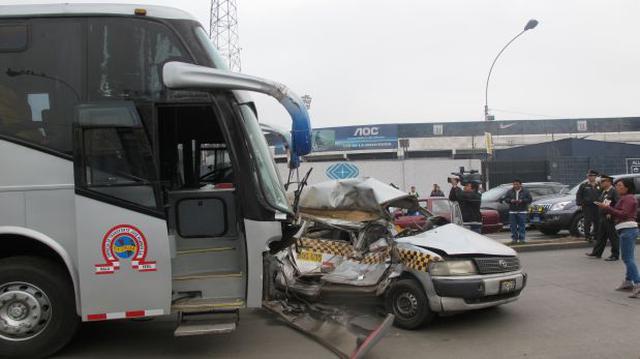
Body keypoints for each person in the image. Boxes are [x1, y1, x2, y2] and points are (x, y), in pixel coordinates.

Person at [597, 178, 640, 298]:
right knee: (628, 258)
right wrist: (611, 211)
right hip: (626, 229)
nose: (617, 187)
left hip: (627, 230)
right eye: (616, 185)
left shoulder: (628, 198)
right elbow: (623, 212)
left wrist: (607, 208)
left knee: (628, 259)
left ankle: (637, 283)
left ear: (627, 187)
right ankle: (628, 282)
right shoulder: (627, 198)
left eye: (619, 185)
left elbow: (624, 214)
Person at [586, 174, 619, 260]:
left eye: (603, 181)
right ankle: (597, 253)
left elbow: (618, 204)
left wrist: (611, 213)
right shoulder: (604, 191)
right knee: (601, 236)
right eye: (600, 181)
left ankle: (615, 255)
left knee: (613, 237)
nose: (601, 183)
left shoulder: (613, 191)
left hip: (609, 217)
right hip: (602, 217)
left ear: (608, 182)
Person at [501, 179, 533, 244]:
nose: (515, 185)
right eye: (514, 184)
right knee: (513, 226)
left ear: (520, 184)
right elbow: (506, 199)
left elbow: (529, 199)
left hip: (522, 211)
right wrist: (511, 201)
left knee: (522, 226)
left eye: (517, 184)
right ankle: (514, 239)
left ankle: (522, 239)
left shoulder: (525, 191)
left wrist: (522, 201)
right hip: (512, 211)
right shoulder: (510, 191)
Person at [576, 170, 601, 241]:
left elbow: (602, 194)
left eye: (592, 176)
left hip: (597, 206)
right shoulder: (584, 185)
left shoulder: (599, 185)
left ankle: (596, 235)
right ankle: (587, 236)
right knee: (587, 221)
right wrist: (579, 203)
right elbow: (579, 195)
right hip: (587, 206)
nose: (590, 177)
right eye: (589, 176)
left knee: (597, 221)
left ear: (595, 177)